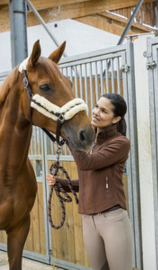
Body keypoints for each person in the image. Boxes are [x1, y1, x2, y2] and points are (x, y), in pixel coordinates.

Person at [46, 93, 133, 270]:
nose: (95, 112)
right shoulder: (90, 142)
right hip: (88, 219)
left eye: (103, 110)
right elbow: (89, 181)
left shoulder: (120, 143)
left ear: (116, 118)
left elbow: (87, 163)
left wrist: (70, 134)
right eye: (96, 107)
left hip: (112, 219)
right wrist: (59, 183)